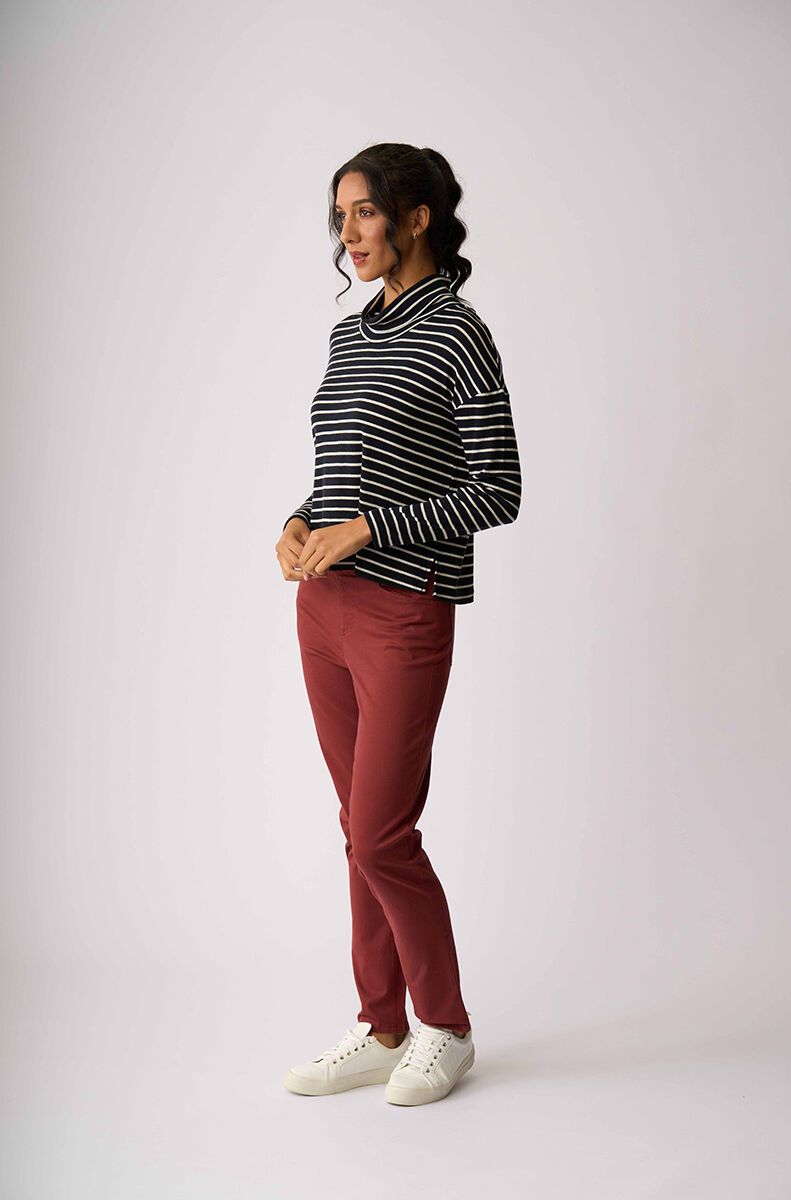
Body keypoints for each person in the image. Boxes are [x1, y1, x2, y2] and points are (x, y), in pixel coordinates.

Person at [275, 143, 522, 1106]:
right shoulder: (350, 336)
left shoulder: (458, 332)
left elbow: (497, 489)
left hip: (403, 608)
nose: (349, 232)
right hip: (323, 608)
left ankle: (445, 1027)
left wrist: (370, 530)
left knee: (382, 833)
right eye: (339, 215)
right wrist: (301, 520)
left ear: (417, 217)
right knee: (357, 829)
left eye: (366, 212)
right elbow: (345, 472)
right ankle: (381, 1025)